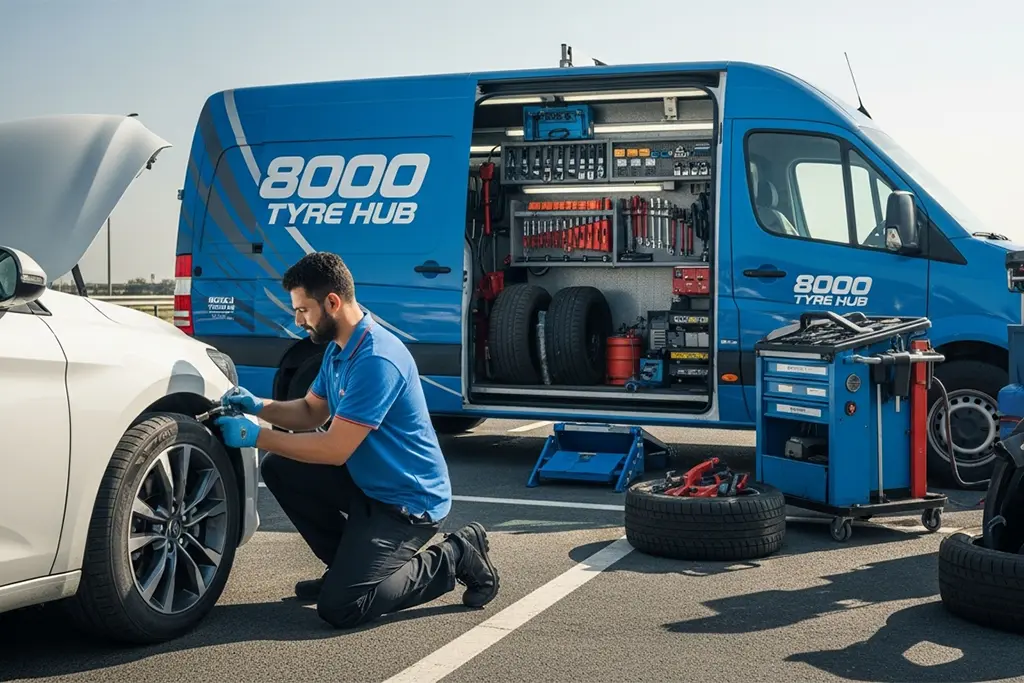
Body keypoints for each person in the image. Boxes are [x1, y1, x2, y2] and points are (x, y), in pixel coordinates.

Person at [213, 251, 499, 629]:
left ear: (332, 302)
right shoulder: (338, 349)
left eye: (303, 310)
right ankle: (346, 568)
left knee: (343, 607)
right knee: (281, 469)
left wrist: (256, 436)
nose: (298, 321)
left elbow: (334, 448)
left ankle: (457, 554)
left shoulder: (376, 359)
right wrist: (258, 405)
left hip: (408, 504)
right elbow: (311, 412)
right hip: (370, 486)